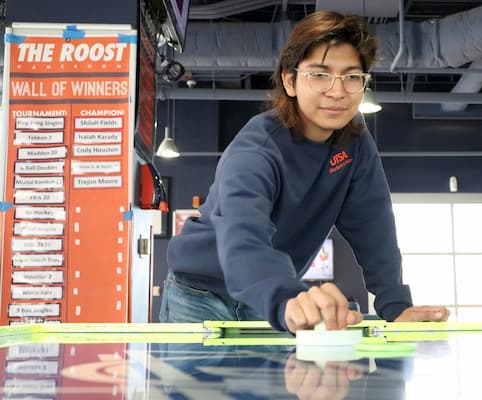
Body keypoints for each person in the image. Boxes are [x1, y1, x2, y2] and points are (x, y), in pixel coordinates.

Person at [160, 10, 450, 333]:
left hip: (272, 296)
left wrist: (395, 306)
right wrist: (286, 297)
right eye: (320, 75)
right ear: (290, 80)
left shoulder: (355, 142)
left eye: (352, 77)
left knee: (263, 385)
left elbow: (374, 225)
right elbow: (243, 234)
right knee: (195, 385)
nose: (337, 92)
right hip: (200, 290)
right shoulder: (257, 149)